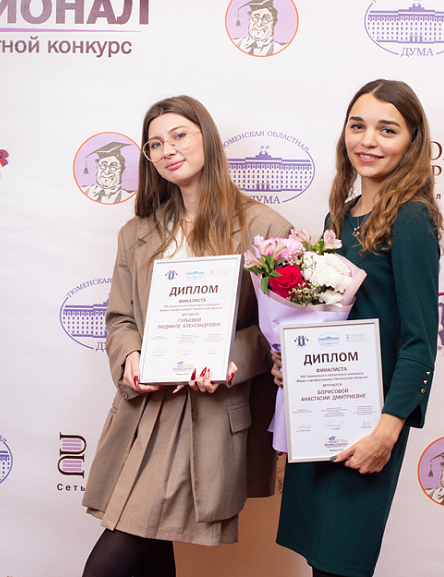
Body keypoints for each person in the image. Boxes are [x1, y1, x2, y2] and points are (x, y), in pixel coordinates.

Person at [81, 95, 291, 577]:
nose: (168, 149)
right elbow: (120, 319)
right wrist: (130, 357)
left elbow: (285, 331)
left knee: (110, 564)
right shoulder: (136, 233)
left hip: (208, 414)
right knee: (149, 551)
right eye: (155, 144)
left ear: (207, 138)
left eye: (179, 135)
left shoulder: (263, 228)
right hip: (143, 411)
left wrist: (230, 359)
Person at [275, 79, 444, 577]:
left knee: (341, 564)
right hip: (323, 415)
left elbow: (419, 341)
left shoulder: (411, 218)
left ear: (412, 142)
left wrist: (387, 433)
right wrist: (293, 363)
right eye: (358, 126)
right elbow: (329, 316)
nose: (368, 140)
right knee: (321, 563)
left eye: (387, 130)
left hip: (369, 425)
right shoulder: (340, 214)